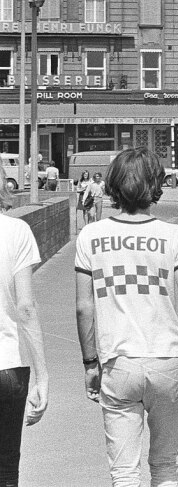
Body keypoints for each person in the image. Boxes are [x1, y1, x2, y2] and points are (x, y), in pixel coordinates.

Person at [74, 148, 178, 487]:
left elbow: (84, 306)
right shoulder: (175, 236)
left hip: (118, 363)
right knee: (164, 467)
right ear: (155, 183)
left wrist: (90, 363)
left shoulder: (91, 236)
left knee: (124, 473)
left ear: (112, 185)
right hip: (167, 362)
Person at [0, 187, 49, 487]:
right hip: (6, 366)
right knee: (6, 471)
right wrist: (42, 377)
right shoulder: (16, 231)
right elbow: (26, 307)